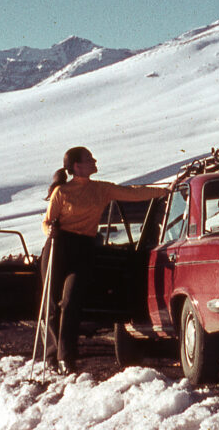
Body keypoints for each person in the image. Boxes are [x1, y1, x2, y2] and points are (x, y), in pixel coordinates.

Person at [40, 146, 168, 374]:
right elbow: (47, 221)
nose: (94, 161)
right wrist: (49, 229)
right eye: (89, 159)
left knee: (70, 303)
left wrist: (163, 191)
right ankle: (51, 358)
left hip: (84, 247)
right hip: (58, 246)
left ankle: (65, 358)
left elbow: (133, 192)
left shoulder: (102, 189)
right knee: (51, 305)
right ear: (77, 166)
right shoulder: (61, 192)